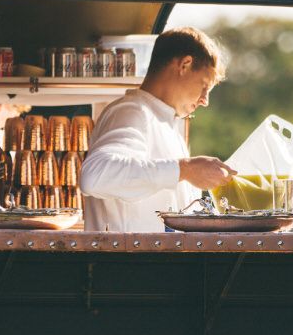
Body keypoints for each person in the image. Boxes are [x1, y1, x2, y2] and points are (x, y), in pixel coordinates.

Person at [80, 27, 237, 232]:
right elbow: (94, 176)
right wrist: (185, 169)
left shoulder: (168, 124)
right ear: (185, 65)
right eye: (204, 86)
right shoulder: (131, 112)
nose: (205, 100)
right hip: (127, 262)